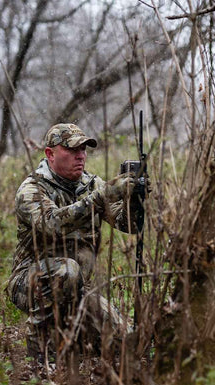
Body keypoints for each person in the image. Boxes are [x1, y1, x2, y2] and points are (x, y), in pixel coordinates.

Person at [7, 123, 140, 360]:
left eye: (84, 150)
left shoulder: (91, 184)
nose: (80, 156)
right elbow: (52, 224)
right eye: (72, 150)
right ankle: (40, 353)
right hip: (30, 282)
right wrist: (102, 197)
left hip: (78, 289)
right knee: (67, 270)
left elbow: (128, 226)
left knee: (126, 343)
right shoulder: (32, 189)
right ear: (50, 154)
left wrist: (135, 199)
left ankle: (73, 336)